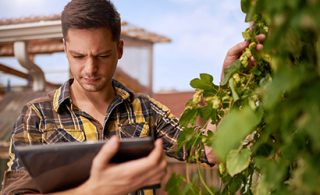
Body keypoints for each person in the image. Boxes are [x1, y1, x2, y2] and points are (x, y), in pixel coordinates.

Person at [1, 0, 265, 194]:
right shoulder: (37, 115)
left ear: (119, 49)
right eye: (78, 56)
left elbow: (210, 150)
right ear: (65, 49)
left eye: (102, 56)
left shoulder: (145, 110)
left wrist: (227, 79)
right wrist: (95, 189)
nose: (90, 69)